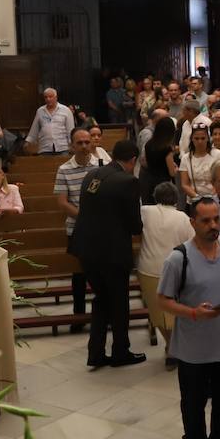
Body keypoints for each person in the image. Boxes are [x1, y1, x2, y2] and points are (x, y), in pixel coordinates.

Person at [157, 197, 220, 439]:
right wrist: (193, 313)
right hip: (193, 347)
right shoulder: (178, 258)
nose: (213, 225)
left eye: (216, 219)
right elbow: (163, 300)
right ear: (192, 222)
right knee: (192, 402)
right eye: (205, 220)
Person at [69, 139, 146, 369]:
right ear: (132, 160)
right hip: (111, 253)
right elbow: (135, 226)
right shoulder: (128, 181)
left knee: (101, 299)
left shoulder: (92, 174)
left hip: (85, 249)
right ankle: (121, 351)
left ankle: (96, 353)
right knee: (119, 301)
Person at [138, 181, 194, 365]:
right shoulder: (183, 218)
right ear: (177, 199)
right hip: (175, 269)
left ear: (155, 197)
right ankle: (175, 347)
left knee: (157, 312)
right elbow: (192, 244)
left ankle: (170, 345)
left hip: (149, 268)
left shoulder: (144, 212)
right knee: (174, 312)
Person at [55, 128, 99, 322]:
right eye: (79, 143)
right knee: (79, 274)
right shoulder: (64, 169)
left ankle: (102, 314)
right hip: (77, 228)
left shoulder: (100, 166)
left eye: (87, 142)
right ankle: (79, 315)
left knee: (100, 273)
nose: (84, 146)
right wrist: (85, 217)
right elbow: (63, 202)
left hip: (100, 227)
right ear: (72, 145)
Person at [179, 124, 220, 203]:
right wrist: (198, 198)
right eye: (196, 138)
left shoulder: (218, 155)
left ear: (208, 138)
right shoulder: (186, 158)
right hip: (194, 201)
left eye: (203, 138)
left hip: (215, 199)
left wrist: (213, 197)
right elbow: (185, 184)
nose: (200, 141)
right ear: (192, 139)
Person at [140, 115, 177, 205]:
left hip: (149, 181)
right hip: (163, 184)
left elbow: (146, 162)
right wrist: (175, 167)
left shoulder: (149, 144)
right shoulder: (167, 148)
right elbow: (172, 172)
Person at [26, 87, 75, 155]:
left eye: (50, 97)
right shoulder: (40, 111)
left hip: (62, 147)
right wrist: (28, 142)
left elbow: (70, 129)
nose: (48, 99)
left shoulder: (66, 110)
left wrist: (72, 144)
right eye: (46, 97)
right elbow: (34, 129)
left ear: (56, 97)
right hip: (44, 147)